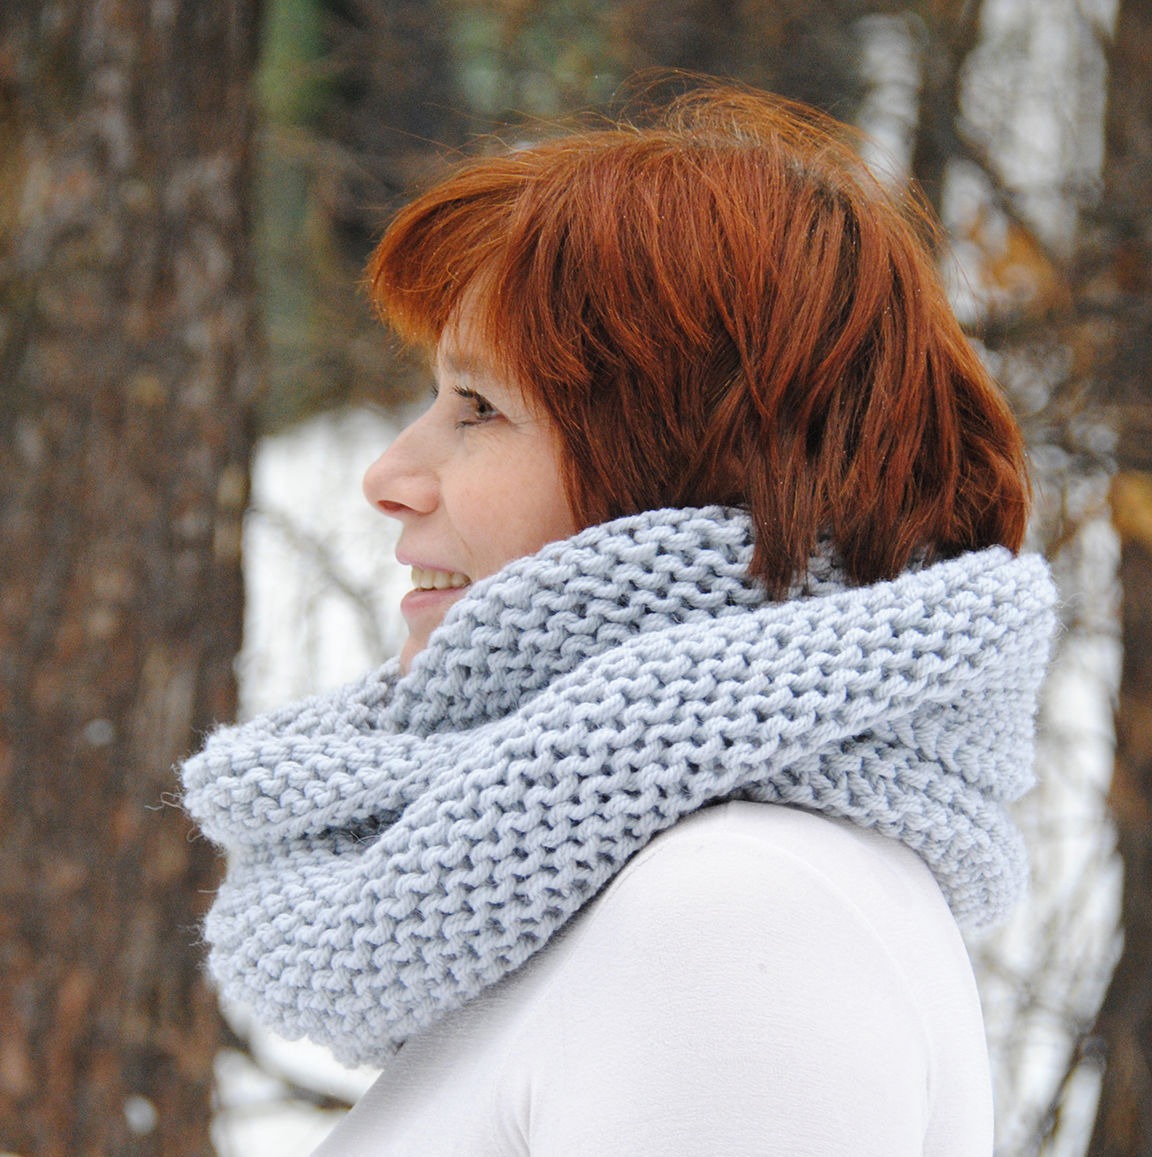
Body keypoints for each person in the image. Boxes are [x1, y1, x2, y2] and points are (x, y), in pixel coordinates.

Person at [182, 84, 1057, 1155]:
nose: (390, 476)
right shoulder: (631, 884)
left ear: (686, 467)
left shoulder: (736, 913)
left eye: (480, 408)